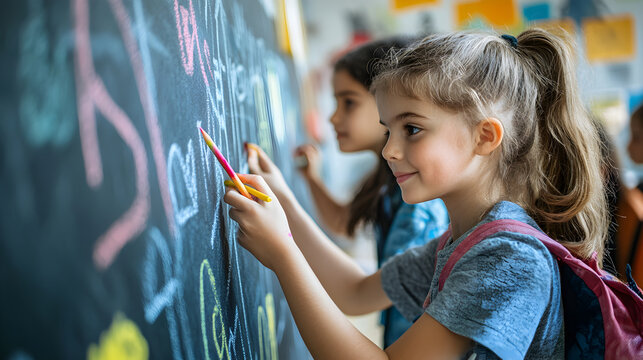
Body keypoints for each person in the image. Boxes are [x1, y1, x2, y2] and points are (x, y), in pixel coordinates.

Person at [223, 29, 608, 358]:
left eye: (412, 129)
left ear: (484, 136)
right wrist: (284, 204)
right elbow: (354, 292)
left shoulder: (507, 257)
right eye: (388, 130)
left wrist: (283, 254)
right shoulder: (464, 242)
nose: (389, 149)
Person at [292, 37, 449, 346]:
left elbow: (363, 293)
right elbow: (344, 224)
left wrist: (282, 216)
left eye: (348, 102)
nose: (333, 117)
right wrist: (310, 180)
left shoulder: (419, 206)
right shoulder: (388, 183)